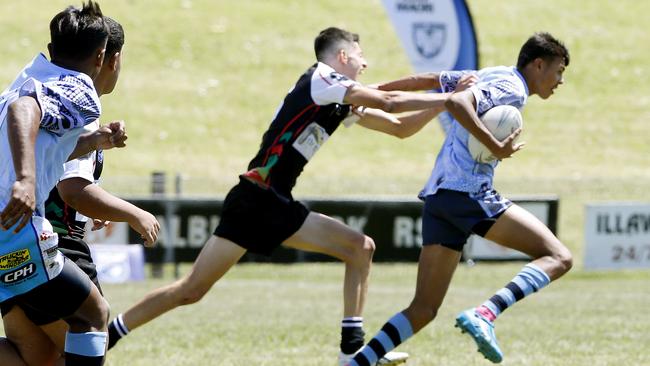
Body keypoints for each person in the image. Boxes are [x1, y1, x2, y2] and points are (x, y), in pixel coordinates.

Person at [106, 26, 461, 365]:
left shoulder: (337, 96)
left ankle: (352, 351)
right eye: (360, 55)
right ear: (342, 56)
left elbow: (399, 128)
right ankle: (110, 333)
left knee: (360, 248)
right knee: (191, 290)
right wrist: (452, 95)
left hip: (273, 201)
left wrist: (445, 103)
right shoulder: (323, 78)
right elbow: (389, 101)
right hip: (255, 199)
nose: (364, 63)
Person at [347, 32, 573, 365]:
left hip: (440, 198)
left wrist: (368, 92)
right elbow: (455, 102)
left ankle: (358, 362)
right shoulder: (510, 89)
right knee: (558, 256)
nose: (560, 81)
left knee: (424, 308)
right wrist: (495, 147)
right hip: (468, 194)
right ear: (538, 64)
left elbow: (428, 80)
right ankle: (486, 312)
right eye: (559, 72)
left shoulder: (492, 74)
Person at [0, 16, 160, 366]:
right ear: (104, 57)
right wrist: (25, 181)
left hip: (8, 228)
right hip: (14, 228)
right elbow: (23, 111)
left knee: (38, 358)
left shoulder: (31, 73)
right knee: (92, 315)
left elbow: (42, 142)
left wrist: (94, 141)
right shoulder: (80, 88)